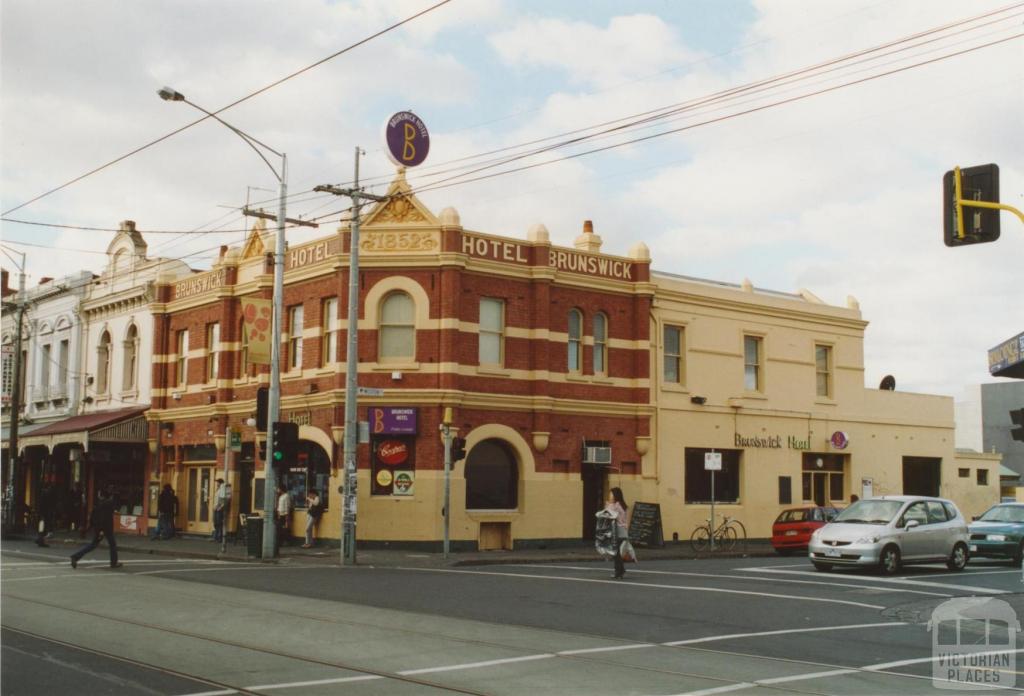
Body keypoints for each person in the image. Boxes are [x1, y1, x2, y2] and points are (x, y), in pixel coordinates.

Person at [70, 486, 122, 569]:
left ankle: (75, 557)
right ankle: (113, 563)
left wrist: (90, 528)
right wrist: (101, 530)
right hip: (106, 528)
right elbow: (104, 518)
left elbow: (93, 516)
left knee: (93, 545)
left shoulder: (98, 504)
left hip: (98, 528)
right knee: (112, 544)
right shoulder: (108, 504)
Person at [604, 487, 630, 579]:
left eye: (611, 494)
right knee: (617, 551)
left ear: (615, 495)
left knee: (615, 552)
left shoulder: (615, 506)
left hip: (617, 531)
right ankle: (620, 570)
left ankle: (619, 571)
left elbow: (609, 516)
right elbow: (626, 520)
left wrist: (608, 506)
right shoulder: (623, 506)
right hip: (623, 531)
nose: (610, 496)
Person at [275, 484, 293, 551]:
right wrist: (278, 514)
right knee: (280, 528)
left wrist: (287, 516)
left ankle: (287, 541)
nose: (278, 490)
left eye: (279, 489)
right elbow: (279, 506)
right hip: (280, 514)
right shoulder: (280, 496)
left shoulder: (286, 496)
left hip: (284, 514)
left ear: (281, 489)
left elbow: (287, 506)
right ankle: (281, 541)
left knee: (285, 528)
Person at [211, 478, 229, 542]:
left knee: (219, 523)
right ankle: (215, 537)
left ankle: (219, 538)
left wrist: (220, 507)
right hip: (215, 508)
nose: (217, 483)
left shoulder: (222, 490)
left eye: (218, 482)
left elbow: (224, 500)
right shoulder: (218, 489)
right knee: (215, 523)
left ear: (221, 483)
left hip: (219, 509)